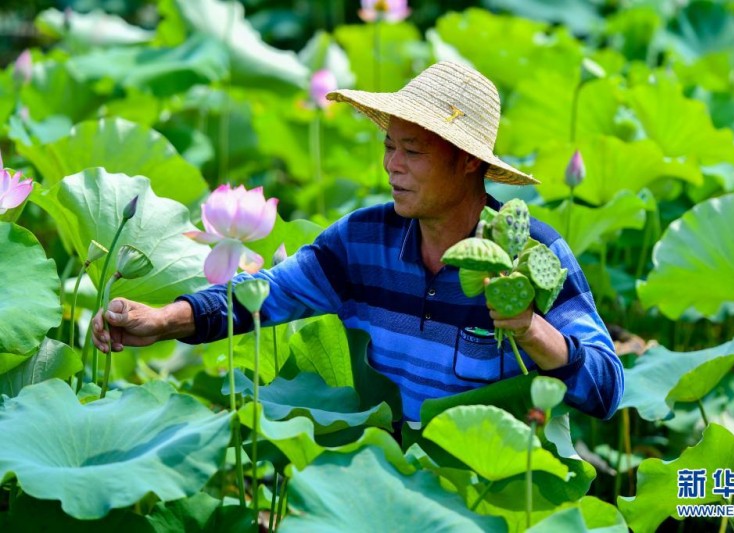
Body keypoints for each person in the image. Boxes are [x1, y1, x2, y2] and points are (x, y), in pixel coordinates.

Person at [92, 61, 623, 422]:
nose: (392, 165)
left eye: (412, 152)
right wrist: (163, 320)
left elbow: (607, 389)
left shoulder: (533, 254)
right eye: (389, 147)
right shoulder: (362, 241)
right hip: (380, 481)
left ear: (467, 162)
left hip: (482, 493)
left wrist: (530, 328)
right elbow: (264, 295)